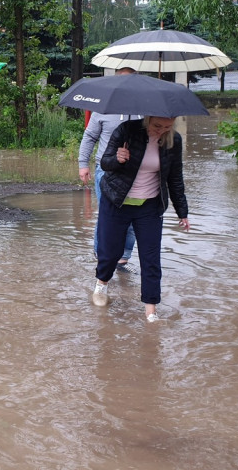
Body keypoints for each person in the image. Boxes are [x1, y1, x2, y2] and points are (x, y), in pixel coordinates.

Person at [92, 115, 191, 323]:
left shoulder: (174, 140)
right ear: (148, 118)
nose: (162, 130)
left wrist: (182, 211)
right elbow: (105, 163)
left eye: (168, 126)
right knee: (111, 252)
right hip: (117, 200)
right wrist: (117, 159)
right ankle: (101, 284)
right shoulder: (126, 129)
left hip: (149, 205)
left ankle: (151, 311)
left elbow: (175, 178)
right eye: (157, 126)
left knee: (151, 258)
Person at [78, 67, 139, 267]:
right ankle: (100, 253)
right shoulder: (102, 109)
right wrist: (82, 164)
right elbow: (89, 137)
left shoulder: (144, 111)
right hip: (105, 171)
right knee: (106, 215)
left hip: (135, 173)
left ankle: (124, 257)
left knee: (131, 217)